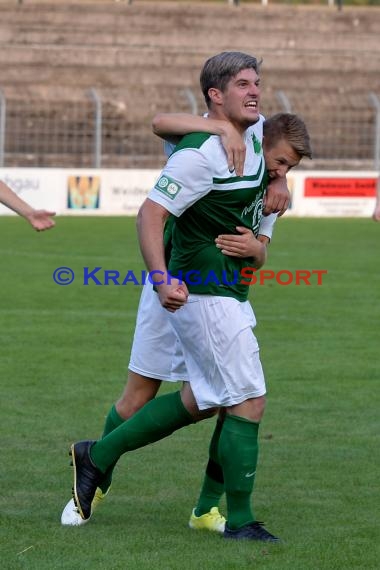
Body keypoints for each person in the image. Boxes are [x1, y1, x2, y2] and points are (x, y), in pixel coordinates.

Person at [67, 52, 311, 542]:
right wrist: (220, 132)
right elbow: (158, 136)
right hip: (175, 280)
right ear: (216, 95)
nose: (255, 90)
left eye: (257, 82)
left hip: (198, 283)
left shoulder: (262, 134)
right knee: (149, 395)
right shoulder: (200, 145)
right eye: (243, 83)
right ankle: (97, 470)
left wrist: (280, 177)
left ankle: (198, 506)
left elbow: (280, 149)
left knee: (215, 397)